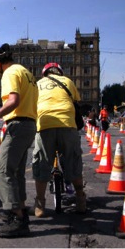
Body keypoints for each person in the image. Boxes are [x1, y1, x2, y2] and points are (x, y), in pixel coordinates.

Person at [0, 43, 37, 238]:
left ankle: (17, 218)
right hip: (30, 125)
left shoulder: (10, 73)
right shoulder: (26, 72)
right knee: (16, 172)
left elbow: (13, 101)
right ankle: (19, 210)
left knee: (3, 171)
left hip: (18, 125)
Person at [30, 62, 86, 218]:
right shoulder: (68, 81)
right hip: (67, 124)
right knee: (72, 161)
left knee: (41, 163)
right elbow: (76, 102)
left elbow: (32, 105)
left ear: (44, 73)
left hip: (45, 124)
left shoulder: (38, 84)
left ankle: (40, 206)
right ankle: (81, 200)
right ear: (59, 72)